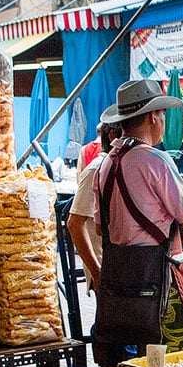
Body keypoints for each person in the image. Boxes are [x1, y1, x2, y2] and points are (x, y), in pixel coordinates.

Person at [88, 79, 183, 367]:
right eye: (162, 115)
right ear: (153, 117)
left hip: (121, 286)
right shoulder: (155, 161)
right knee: (173, 363)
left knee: (132, 364)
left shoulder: (105, 165)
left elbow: (102, 228)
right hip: (159, 280)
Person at [68, 120, 121, 293]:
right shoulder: (96, 170)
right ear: (112, 136)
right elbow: (74, 223)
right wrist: (96, 271)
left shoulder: (122, 165)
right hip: (102, 262)